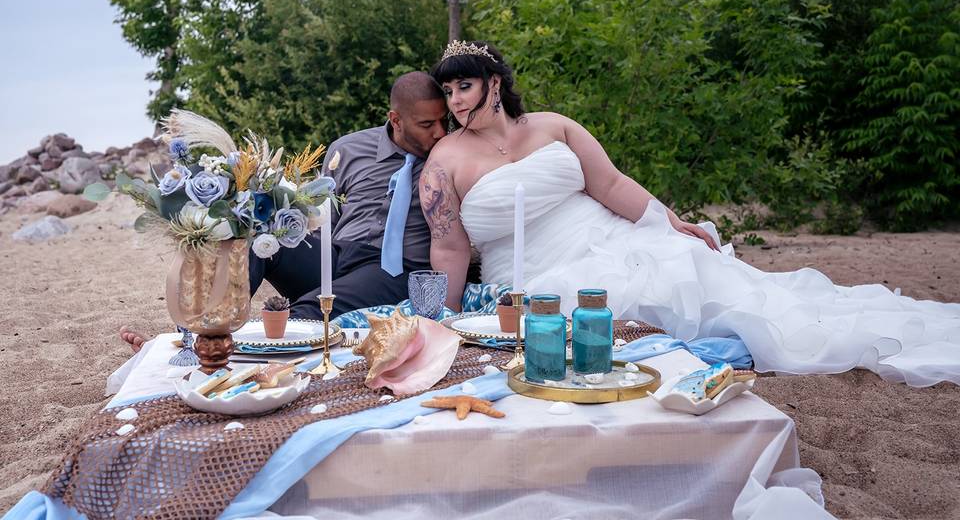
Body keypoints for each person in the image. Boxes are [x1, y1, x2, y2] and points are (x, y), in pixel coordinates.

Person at [420, 40, 960, 387]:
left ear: (494, 82)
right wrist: (440, 320)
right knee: (608, 303)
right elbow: (449, 247)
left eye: (463, 86)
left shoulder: (552, 125)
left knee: (687, 264)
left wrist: (666, 219)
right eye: (447, 92)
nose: (456, 101)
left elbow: (608, 183)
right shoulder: (444, 161)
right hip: (531, 272)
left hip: (606, 232)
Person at [121, 71, 447, 351]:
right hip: (336, 253)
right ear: (396, 119)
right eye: (427, 124)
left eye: (442, 122)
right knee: (258, 242)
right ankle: (200, 338)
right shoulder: (347, 149)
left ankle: (241, 352)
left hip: (392, 270)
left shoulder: (448, 155)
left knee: (308, 309)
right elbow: (321, 214)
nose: (439, 132)